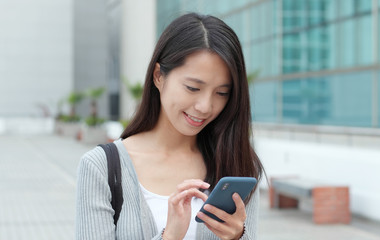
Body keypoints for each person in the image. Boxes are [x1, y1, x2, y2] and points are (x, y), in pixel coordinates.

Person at [75, 12, 264, 240]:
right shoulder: (100, 168)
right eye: (193, 88)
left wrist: (237, 237)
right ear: (158, 76)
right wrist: (170, 236)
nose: (205, 106)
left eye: (222, 93)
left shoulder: (238, 161)